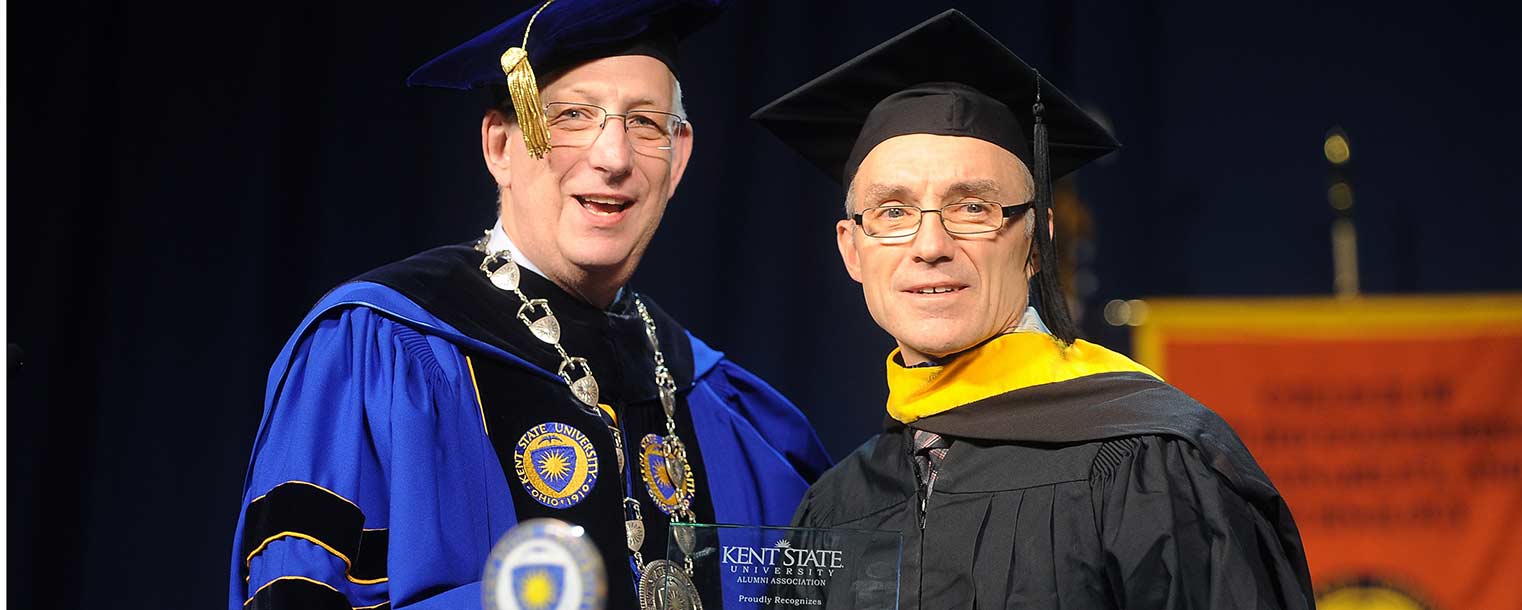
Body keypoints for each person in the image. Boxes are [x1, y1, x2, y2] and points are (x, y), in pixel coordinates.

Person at [229, 1, 831, 609]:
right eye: (572, 116)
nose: (613, 158)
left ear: (679, 157)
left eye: (645, 124)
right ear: (499, 146)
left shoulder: (725, 406)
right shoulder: (380, 352)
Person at [754, 10, 1315, 610]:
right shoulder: (834, 507)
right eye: (892, 213)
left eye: (973, 207)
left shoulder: (1151, 463)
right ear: (852, 250)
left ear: (1037, 244)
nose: (930, 246)